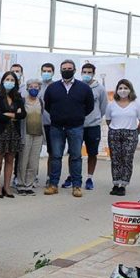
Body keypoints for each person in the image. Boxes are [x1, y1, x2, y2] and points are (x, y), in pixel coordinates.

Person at [43, 60, 94, 197]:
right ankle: (53, 184)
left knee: (76, 156)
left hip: (76, 127)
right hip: (57, 127)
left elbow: (89, 107)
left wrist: (77, 116)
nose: (67, 70)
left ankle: (77, 186)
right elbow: (47, 106)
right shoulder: (52, 88)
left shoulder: (84, 88)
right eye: (64, 68)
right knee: (56, 156)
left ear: (74, 70)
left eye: (69, 68)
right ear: (60, 71)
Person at [62, 62, 108, 191]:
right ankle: (72, 176)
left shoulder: (100, 89)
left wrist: (94, 118)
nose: (86, 75)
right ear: (80, 73)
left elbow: (103, 108)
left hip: (93, 126)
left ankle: (89, 178)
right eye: (84, 72)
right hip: (76, 125)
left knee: (92, 153)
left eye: (89, 72)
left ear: (93, 73)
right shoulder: (76, 87)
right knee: (74, 153)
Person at [0, 71, 26, 198]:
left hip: (14, 132)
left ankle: (7, 186)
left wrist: (10, 115)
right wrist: (14, 114)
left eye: (12, 80)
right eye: (7, 79)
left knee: (10, 159)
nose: (9, 82)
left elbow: (23, 115)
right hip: (0, 132)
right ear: (3, 81)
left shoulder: (18, 97)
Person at [105, 79, 140, 196]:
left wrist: (135, 133)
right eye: (120, 88)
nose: (123, 91)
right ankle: (116, 183)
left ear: (130, 90)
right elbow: (108, 120)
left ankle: (123, 184)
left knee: (127, 159)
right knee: (116, 159)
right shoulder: (111, 105)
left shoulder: (137, 105)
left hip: (131, 134)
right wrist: (115, 129)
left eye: (125, 88)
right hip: (114, 133)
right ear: (117, 90)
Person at [17, 78, 46, 195]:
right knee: (23, 161)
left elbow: (41, 114)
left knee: (33, 162)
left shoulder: (41, 101)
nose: (33, 89)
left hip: (38, 135)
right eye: (31, 87)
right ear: (27, 88)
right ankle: (20, 185)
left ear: (39, 88)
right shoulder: (23, 101)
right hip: (26, 134)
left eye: (36, 87)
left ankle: (29, 185)